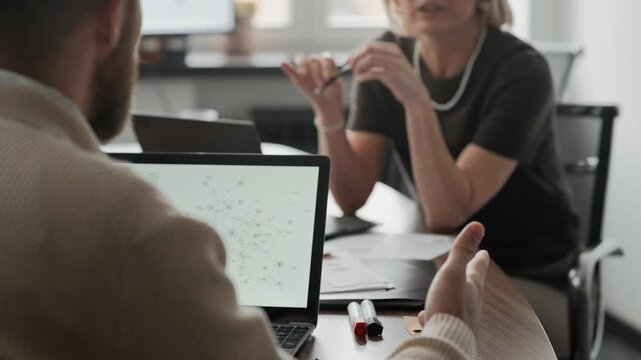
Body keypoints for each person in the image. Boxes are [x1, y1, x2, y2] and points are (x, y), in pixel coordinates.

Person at [0, 0, 491, 359]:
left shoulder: (513, 68)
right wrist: (447, 329)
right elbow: (354, 193)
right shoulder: (125, 226)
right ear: (111, 20)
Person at [282, 0, 579, 285]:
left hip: (525, 272)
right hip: (437, 259)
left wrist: (416, 100)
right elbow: (351, 198)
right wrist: (329, 115)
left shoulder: (523, 70)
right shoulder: (390, 56)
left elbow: (447, 214)